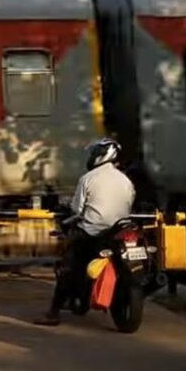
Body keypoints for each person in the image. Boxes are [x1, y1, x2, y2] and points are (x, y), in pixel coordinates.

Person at [34, 138, 135, 326]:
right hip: (119, 232)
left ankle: (53, 313)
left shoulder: (88, 178)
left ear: (102, 156)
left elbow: (77, 210)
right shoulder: (126, 181)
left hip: (92, 232)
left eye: (94, 153)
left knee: (67, 268)